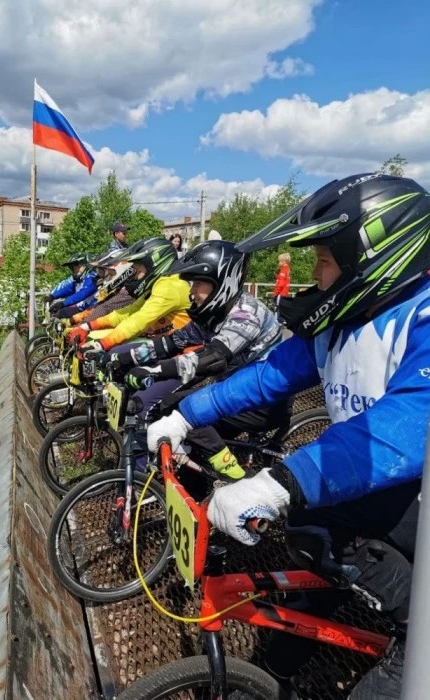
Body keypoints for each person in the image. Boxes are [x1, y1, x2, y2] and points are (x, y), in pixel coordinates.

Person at [147, 173, 430, 699]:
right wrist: (186, 415)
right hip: (388, 496)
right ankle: (279, 671)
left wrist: (279, 481)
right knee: (308, 528)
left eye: (323, 261)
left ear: (375, 257)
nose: (314, 275)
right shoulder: (343, 320)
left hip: (418, 501)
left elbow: (409, 425)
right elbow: (269, 374)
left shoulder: (423, 316)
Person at [117, 239, 288, 479]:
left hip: (263, 402)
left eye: (198, 283)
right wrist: (123, 358)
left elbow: (212, 358)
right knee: (187, 440)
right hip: (235, 393)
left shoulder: (246, 314)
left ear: (221, 282)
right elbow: (170, 343)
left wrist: (154, 371)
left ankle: (235, 477)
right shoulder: (214, 313)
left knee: (178, 407)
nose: (191, 292)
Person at [68, 237, 190, 353]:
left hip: (182, 349)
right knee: (97, 340)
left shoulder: (170, 285)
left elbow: (139, 320)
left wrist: (102, 343)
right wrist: (87, 326)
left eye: (138, 269)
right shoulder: (158, 283)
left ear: (153, 263)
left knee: (116, 355)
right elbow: (130, 311)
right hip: (165, 342)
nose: (135, 275)